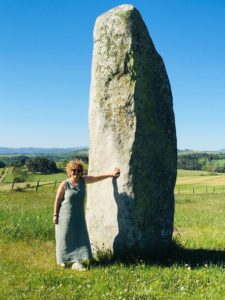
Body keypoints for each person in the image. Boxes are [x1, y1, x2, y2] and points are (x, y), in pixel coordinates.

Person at [53, 159, 120, 271]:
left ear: (81, 172)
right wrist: (55, 215)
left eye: (79, 170)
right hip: (64, 215)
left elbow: (97, 177)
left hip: (78, 216)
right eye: (74, 170)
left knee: (78, 237)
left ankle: (77, 260)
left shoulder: (83, 181)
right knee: (64, 237)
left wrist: (111, 174)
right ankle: (63, 260)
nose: (76, 172)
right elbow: (57, 200)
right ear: (70, 171)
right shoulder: (65, 184)